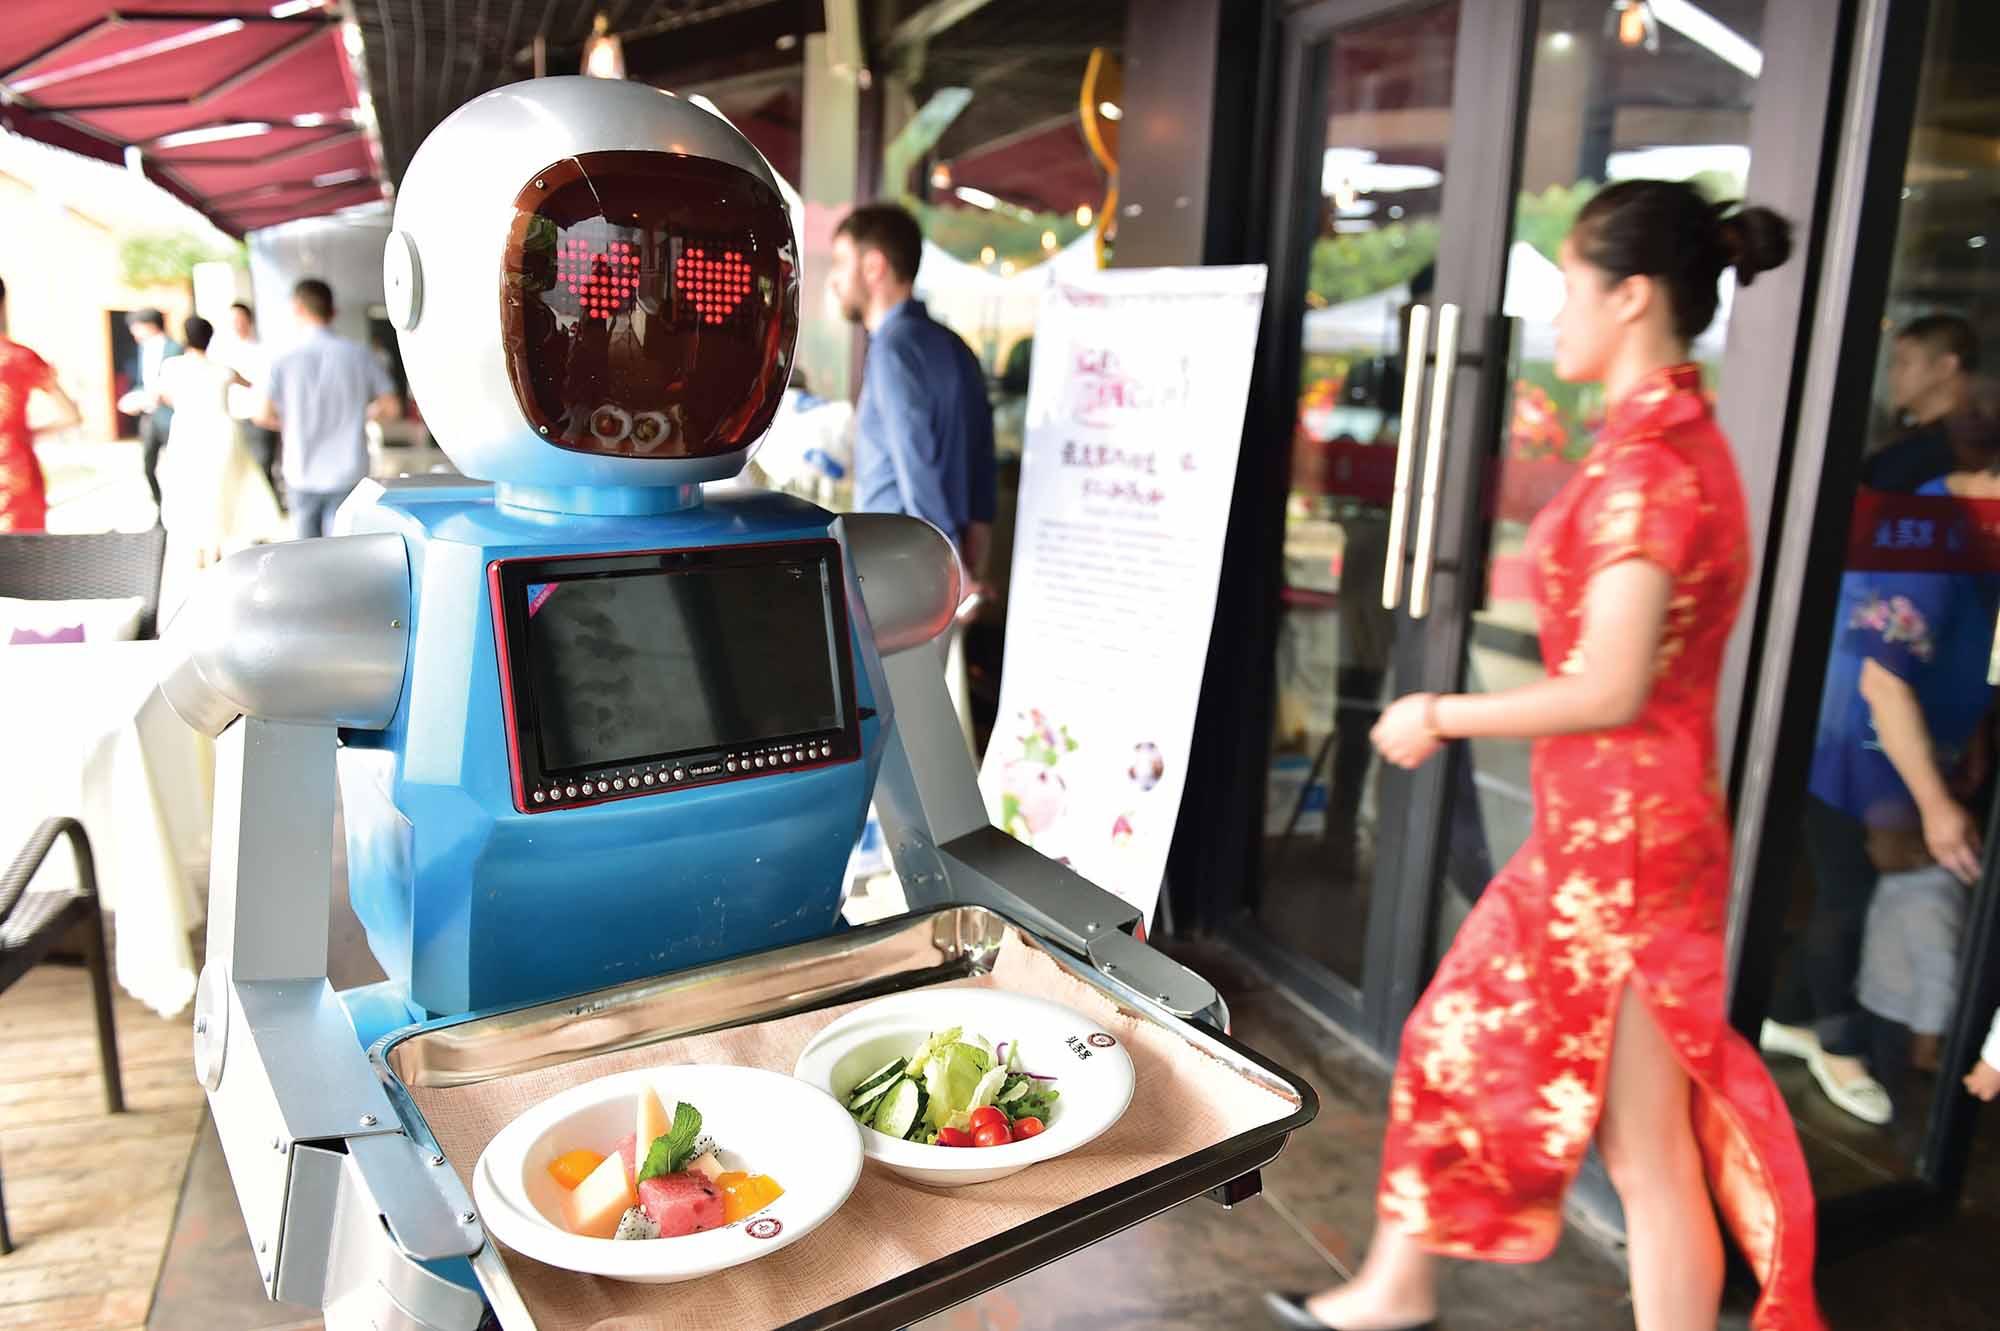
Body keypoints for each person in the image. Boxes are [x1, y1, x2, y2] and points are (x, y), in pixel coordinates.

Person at [1268, 181, 1825, 1331]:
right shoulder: (1664, 444)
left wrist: (1437, 710)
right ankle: (1395, 1283)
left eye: (1570, 287)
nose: (1555, 313)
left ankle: (1396, 1287)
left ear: (1629, 296)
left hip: (1620, 846)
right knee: (1502, 1064)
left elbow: (1612, 684)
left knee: (1639, 1140)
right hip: (1613, 834)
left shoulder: (1651, 469)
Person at [1762, 444, 2000, 1123]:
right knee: (1848, 894)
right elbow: (1883, 682)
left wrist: (1971, 741)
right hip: (1860, 749)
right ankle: (1834, 1043)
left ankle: (1784, 1012)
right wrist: (1935, 806)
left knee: (1859, 891)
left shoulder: (1974, 531)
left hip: (1918, 745)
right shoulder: (1928, 537)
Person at [827, 203, 997, 585]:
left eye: (840, 263)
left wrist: (950, 562)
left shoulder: (892, 348)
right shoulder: (955, 345)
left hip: (900, 566)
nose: (833, 280)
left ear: (874, 266)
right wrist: (972, 554)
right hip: (946, 565)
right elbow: (982, 457)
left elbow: (914, 458)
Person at [259, 279, 400, 538]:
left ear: (297, 309)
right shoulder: (360, 354)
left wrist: (291, 422)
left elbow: (263, 414)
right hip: (349, 467)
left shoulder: (282, 357)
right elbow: (391, 407)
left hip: (301, 467)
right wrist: (363, 414)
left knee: (306, 552)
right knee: (342, 550)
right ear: (333, 311)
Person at [154, 315, 283, 570]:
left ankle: (199, 548)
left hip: (188, 431)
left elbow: (163, 396)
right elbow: (250, 384)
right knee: (220, 488)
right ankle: (215, 546)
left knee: (191, 488)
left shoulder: (172, 366)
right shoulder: (223, 371)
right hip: (221, 432)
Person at [1862, 315, 1983, 492]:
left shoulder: (1962, 448)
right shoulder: (1905, 446)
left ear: (1945, 367)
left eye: (1904, 363)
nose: (1892, 374)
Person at [0, 276, 82, 531]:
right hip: (15, 472)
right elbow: (71, 415)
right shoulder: (21, 357)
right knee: (24, 563)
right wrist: (27, 432)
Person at [213, 301, 282, 503]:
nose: (236, 324)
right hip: (232, 417)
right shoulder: (220, 352)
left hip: (258, 416)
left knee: (263, 464)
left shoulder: (264, 351)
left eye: (239, 320)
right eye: (232, 321)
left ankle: (270, 506)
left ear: (249, 321)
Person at [119, 308, 181, 514]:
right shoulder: (142, 350)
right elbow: (142, 382)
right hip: (149, 416)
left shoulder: (175, 348)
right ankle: (160, 508)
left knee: (176, 465)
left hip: (170, 415)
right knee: (148, 465)